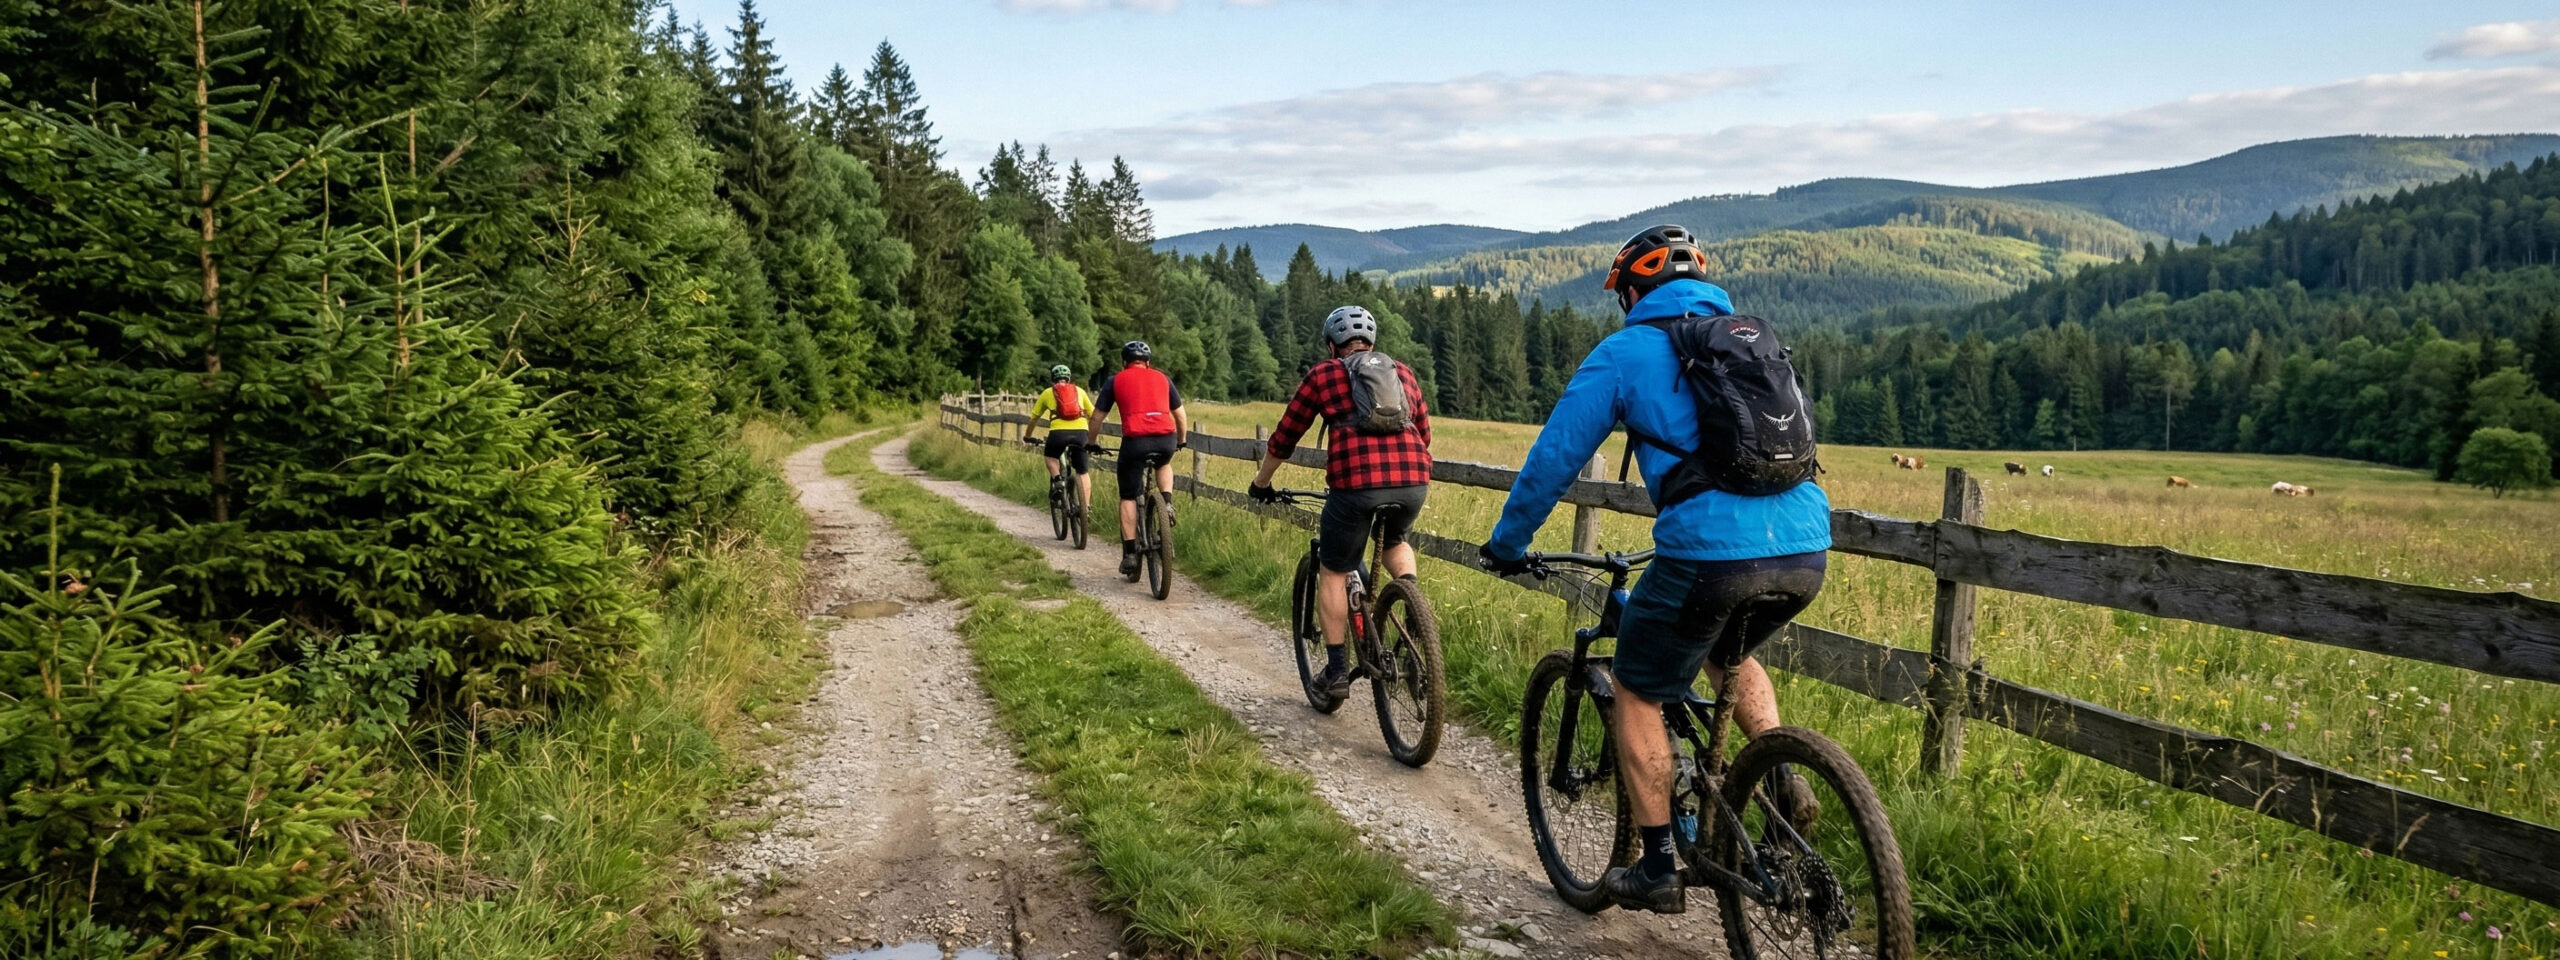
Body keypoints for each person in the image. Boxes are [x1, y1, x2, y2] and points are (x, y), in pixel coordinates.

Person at [1478, 224, 1830, 915]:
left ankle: (1660, 865)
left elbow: (1555, 459)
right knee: (1730, 651)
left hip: (1705, 551)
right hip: (1805, 545)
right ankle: (1782, 773)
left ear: (1633, 291)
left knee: (1638, 687)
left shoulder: (1625, 351)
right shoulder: (1754, 342)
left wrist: (1508, 543)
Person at [1246, 306, 1433, 699]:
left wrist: (1262, 482)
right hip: (1414, 480)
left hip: (1355, 486)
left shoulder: (1324, 374)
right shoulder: (1403, 372)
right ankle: (1416, 615)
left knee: (1333, 568)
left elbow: (1285, 436)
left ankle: (1335, 673)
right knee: (1396, 542)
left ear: (1333, 345)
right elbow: (1424, 432)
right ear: (1371, 343)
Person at [1093, 340, 1190, 576]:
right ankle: (1166, 502)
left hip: (1135, 442)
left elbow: (1097, 417)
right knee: (1164, 463)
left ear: (1124, 362)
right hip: (1165, 438)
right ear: (1148, 363)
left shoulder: (1115, 380)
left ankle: (1129, 554)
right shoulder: (1162, 378)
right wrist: (1181, 440)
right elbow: (1180, 414)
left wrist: (1090, 443)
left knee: (1128, 496)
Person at [1023, 364, 1095, 518]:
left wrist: (1027, 436)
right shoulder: (1079, 391)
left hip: (1058, 434)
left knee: (1050, 457)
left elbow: (1033, 418)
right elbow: (1093, 414)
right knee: (1083, 472)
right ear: (1068, 379)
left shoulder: (1048, 393)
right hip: (1081, 434)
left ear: (1053, 380)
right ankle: (1086, 508)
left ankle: (1057, 480)